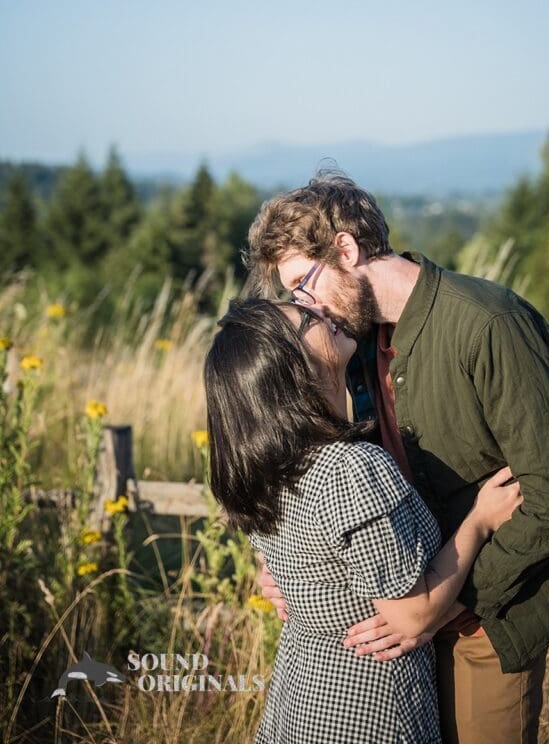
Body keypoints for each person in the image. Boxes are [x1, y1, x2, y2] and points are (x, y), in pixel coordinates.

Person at [245, 170, 549, 744]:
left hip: (485, 622)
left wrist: (446, 607)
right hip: (406, 617)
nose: (304, 309)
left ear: (347, 250)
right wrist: (285, 566)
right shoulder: (347, 345)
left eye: (305, 283)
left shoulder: (490, 323)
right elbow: (319, 477)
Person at [204, 296, 523, 744]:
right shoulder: (349, 468)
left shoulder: (266, 469)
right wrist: (480, 520)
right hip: (368, 707)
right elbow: (412, 616)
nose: (321, 312)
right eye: (308, 320)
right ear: (295, 368)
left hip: (302, 695)